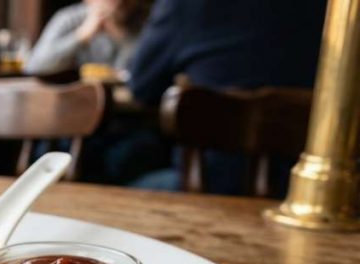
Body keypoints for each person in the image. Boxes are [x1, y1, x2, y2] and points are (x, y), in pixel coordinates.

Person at [128, 0, 328, 195]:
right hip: (316, 188)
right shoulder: (334, 10)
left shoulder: (187, 5)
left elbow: (142, 87)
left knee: (117, 166)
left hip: (210, 186)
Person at [25, 0, 153, 75]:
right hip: (81, 105)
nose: (118, 2)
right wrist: (80, 36)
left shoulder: (148, 19)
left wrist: (123, 37)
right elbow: (34, 66)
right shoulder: (69, 19)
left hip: (134, 109)